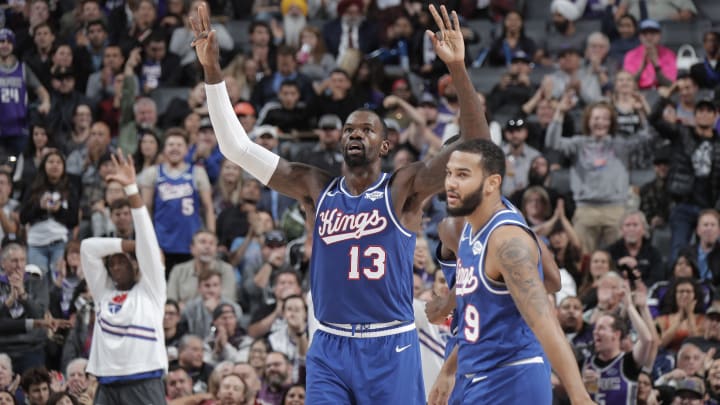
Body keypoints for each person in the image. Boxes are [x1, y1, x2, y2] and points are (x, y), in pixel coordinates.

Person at [194, 4, 488, 404]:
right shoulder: (315, 186)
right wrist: (212, 72)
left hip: (389, 344)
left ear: (385, 145)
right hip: (329, 345)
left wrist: (457, 68)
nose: (354, 133)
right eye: (349, 128)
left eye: (366, 129)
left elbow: (477, 148)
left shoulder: (404, 187)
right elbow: (237, 147)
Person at [429, 138, 592, 404]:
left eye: (462, 175)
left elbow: (545, 320)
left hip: (513, 376)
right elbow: (482, 315)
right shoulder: (469, 226)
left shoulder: (507, 240)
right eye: (449, 173)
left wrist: (579, 396)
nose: (450, 183)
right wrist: (448, 369)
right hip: (476, 372)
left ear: (492, 183)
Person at [80, 151, 167, 404]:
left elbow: (149, 244)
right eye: (112, 262)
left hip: (144, 379)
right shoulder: (103, 293)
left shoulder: (150, 290)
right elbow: (87, 247)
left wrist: (131, 188)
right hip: (106, 383)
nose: (116, 263)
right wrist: (126, 247)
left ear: (138, 267)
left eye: (123, 261)